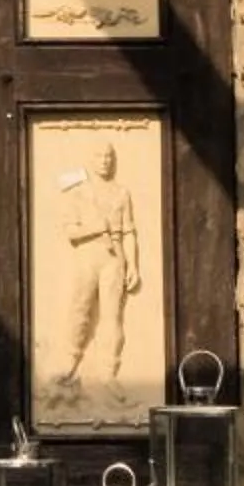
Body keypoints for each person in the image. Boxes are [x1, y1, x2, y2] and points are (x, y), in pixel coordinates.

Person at [55, 141, 141, 398]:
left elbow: (129, 232)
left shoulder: (122, 192)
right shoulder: (78, 191)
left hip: (114, 257)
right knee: (80, 308)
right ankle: (70, 361)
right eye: (99, 155)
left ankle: (108, 372)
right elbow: (70, 232)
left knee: (112, 316)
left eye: (109, 156)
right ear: (91, 159)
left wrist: (133, 264)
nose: (105, 160)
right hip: (87, 255)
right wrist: (95, 228)